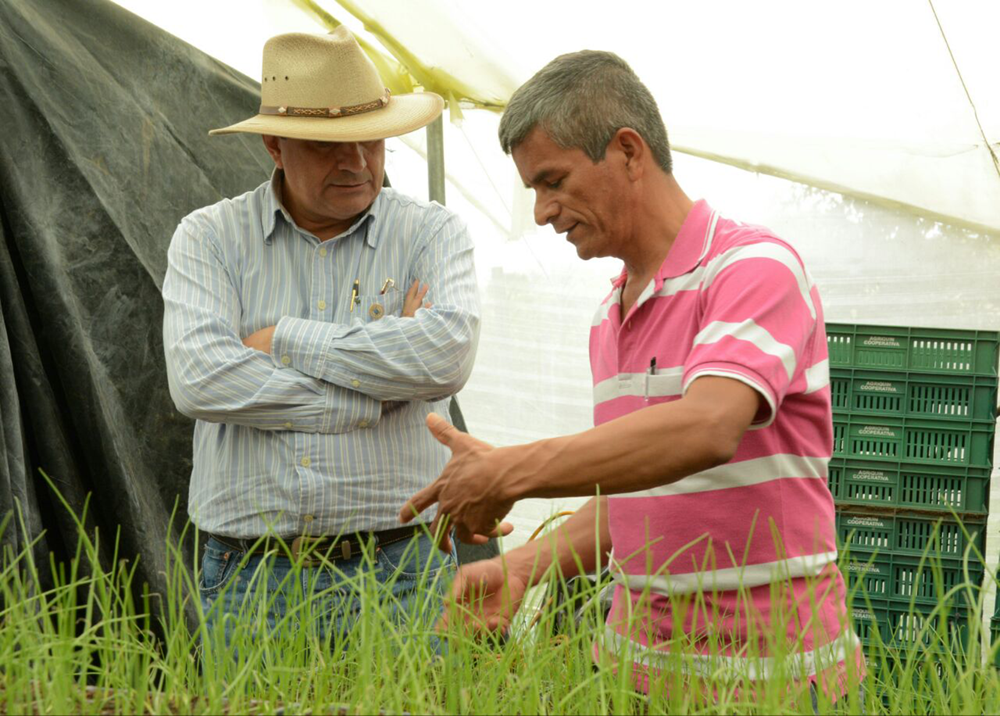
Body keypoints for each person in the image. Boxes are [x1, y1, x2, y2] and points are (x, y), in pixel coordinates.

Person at [400, 50, 862, 700]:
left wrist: (512, 469)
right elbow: (637, 498)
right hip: (630, 674)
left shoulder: (752, 270)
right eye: (533, 187)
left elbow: (707, 427)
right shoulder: (608, 317)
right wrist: (525, 567)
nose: (541, 211)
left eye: (553, 180)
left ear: (627, 151)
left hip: (772, 681)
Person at [161, 28, 496, 644]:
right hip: (250, 573)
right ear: (274, 145)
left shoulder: (431, 234)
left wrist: (283, 338)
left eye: (372, 141)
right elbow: (200, 379)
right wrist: (377, 384)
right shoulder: (208, 238)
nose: (357, 162)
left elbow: (445, 355)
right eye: (327, 146)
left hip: (400, 565)